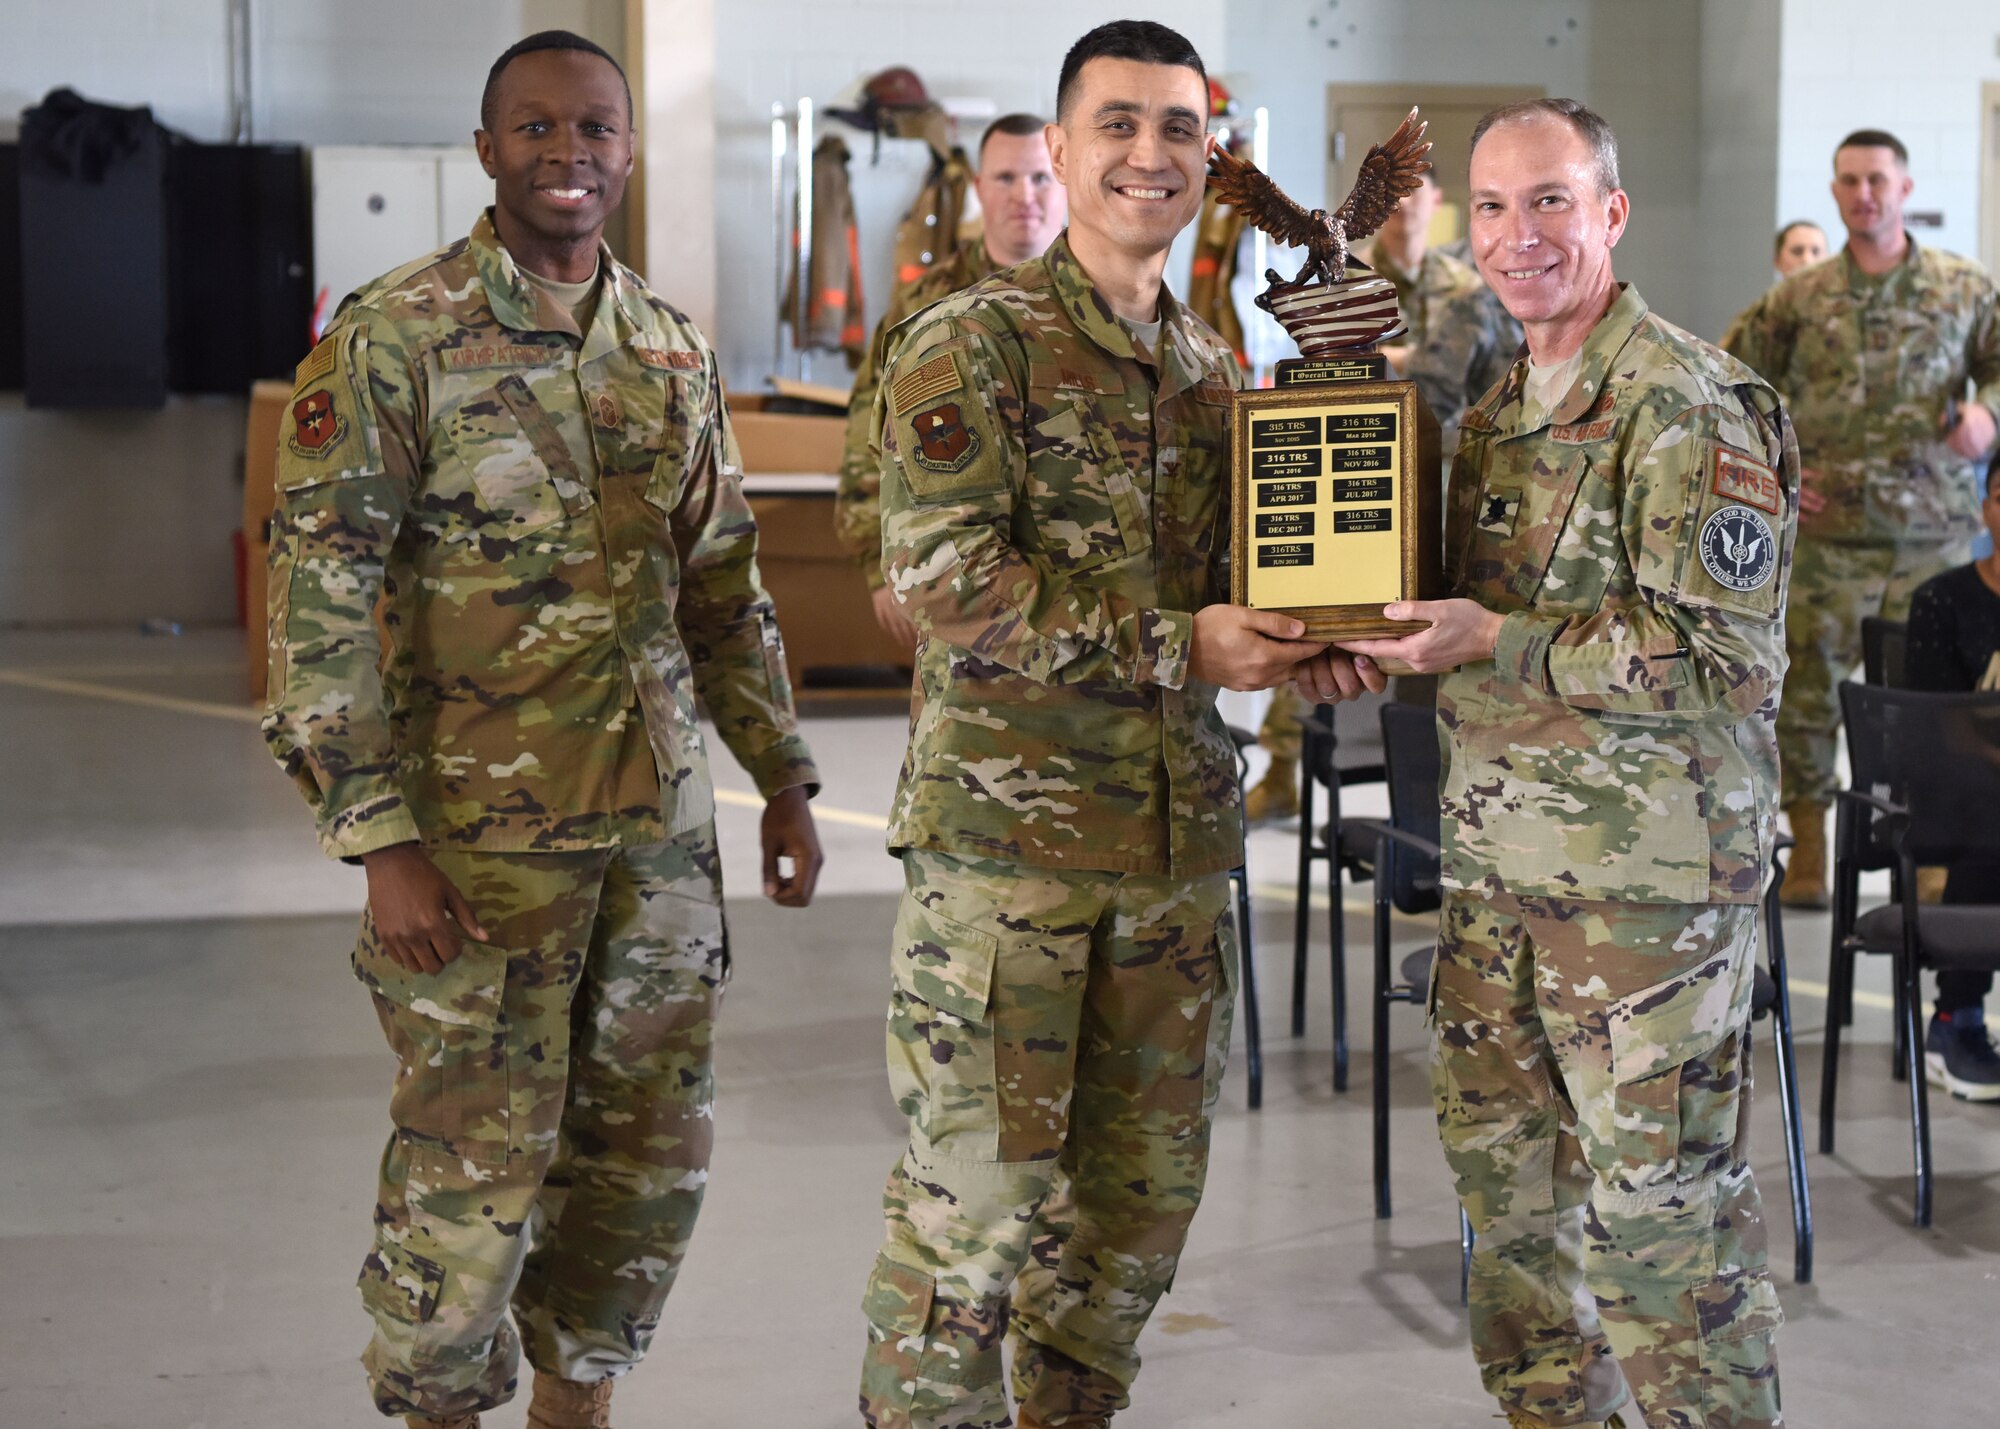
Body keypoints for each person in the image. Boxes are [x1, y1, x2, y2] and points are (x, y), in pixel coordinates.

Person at [261, 31, 823, 1429]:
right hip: (478, 856)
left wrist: (786, 780)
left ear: (628, 152)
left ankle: (581, 1407)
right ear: (486, 148)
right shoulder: (398, 338)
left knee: (643, 1161)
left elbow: (724, 586)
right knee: (471, 1168)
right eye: (536, 129)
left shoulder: (668, 348)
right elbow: (317, 597)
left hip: (657, 850)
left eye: (595, 130)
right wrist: (377, 837)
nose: (568, 156)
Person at [856, 21, 1380, 1428]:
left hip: (1171, 861)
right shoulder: (970, 343)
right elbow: (946, 582)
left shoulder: (1214, 375)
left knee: (1133, 1228)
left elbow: (1232, 591)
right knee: (969, 1227)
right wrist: (1181, 642)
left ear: (1212, 155)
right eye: (1119, 123)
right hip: (1005, 870)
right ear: (1066, 143)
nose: (1151, 153)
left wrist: (1304, 642)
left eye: (1180, 127)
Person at [1338, 98, 1795, 1428]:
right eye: (1489, 206)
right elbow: (1456, 632)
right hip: (1497, 890)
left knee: (1668, 1246)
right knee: (1516, 1240)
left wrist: (1500, 637)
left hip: (1646, 911)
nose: (1515, 235)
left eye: (1548, 201)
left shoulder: (1689, 406)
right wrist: (1367, 638)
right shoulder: (1492, 414)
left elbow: (1723, 657)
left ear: (1611, 213)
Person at [1724, 128, 2000, 907]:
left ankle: (1939, 850)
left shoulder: (1964, 287)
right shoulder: (1798, 299)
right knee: (1806, 695)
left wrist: (1988, 413)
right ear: (1836, 189)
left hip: (1936, 539)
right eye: (1848, 181)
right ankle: (1810, 842)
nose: (1864, 194)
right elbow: (1732, 386)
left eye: (1877, 179)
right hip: (1827, 539)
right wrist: (1771, 476)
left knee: (1940, 704)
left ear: (1904, 189)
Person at [1242, 170, 1485, 823]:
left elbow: (1451, 376)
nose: (1405, 211)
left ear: (1436, 204)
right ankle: (1284, 762)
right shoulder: (1345, 284)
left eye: (1417, 198)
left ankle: (1448, 793)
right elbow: (1326, 367)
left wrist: (1392, 360)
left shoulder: (1464, 290)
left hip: (1442, 482)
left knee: (1434, 639)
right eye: (1396, 201)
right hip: (1363, 469)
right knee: (1314, 615)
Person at [834, 113, 1068, 653]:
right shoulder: (927, 301)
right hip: (950, 575)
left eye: (1038, 177)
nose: (1023, 196)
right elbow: (869, 423)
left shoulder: (1098, 301)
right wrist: (876, 560)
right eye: (1006, 178)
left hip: (1069, 579)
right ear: (979, 188)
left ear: (1063, 179)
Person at [1902, 450, 2000, 1100]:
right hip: (1958, 796)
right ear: (1987, 504)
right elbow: (1942, 725)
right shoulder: (1941, 599)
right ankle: (1954, 1020)